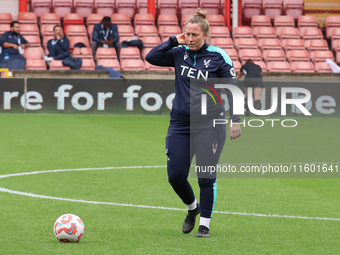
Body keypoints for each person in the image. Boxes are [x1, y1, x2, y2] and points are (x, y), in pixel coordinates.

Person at [146, 8, 241, 237]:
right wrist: (173, 41)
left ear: (205, 35)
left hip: (210, 124)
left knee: (206, 176)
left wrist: (235, 120)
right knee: (175, 176)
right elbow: (151, 57)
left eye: (194, 35)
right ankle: (192, 209)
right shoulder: (179, 53)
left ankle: (205, 225)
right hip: (179, 124)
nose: (190, 38)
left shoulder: (219, 56)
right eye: (187, 34)